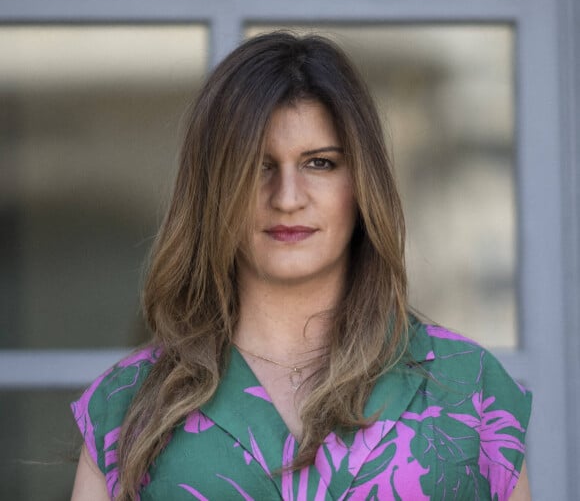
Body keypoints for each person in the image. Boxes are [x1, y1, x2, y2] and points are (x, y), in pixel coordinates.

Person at [70, 32, 532, 500]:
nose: (288, 198)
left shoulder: (469, 390)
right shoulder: (128, 406)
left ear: (362, 184)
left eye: (319, 163)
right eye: (256, 166)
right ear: (215, 190)